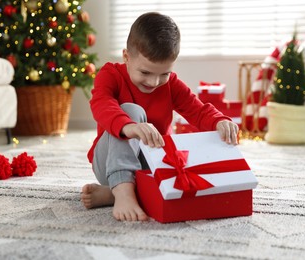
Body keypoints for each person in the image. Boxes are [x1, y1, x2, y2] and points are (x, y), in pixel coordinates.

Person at [81, 12, 239, 222]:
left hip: (150, 167)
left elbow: (198, 110)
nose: (154, 82)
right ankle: (122, 190)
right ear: (126, 57)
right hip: (110, 162)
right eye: (145, 73)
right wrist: (129, 126)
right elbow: (101, 104)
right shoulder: (110, 75)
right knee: (131, 110)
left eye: (164, 74)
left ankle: (111, 193)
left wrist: (220, 120)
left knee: (180, 170)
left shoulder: (171, 85)